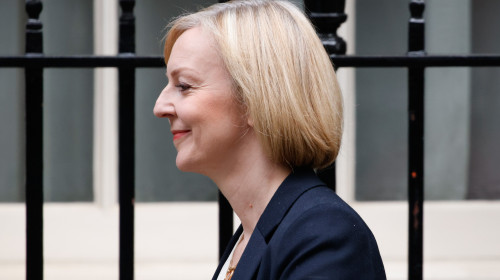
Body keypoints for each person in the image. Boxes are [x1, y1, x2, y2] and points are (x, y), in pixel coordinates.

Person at [153, 0, 386, 279]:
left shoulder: (323, 236)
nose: (160, 106)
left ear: (254, 99)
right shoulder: (253, 234)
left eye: (184, 86)